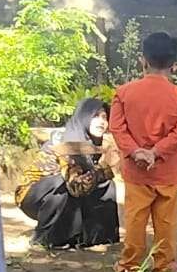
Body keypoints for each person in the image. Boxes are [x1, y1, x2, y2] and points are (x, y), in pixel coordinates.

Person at [110, 31, 177, 272]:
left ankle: (130, 266)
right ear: (174, 65)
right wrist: (156, 152)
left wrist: (136, 152)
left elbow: (117, 127)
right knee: (166, 222)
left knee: (135, 219)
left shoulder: (123, 93)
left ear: (142, 60)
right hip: (167, 171)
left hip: (136, 171)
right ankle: (164, 266)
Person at [15, 98, 120, 249]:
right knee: (61, 183)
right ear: (84, 117)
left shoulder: (99, 144)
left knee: (107, 185)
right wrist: (104, 168)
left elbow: (91, 179)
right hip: (34, 196)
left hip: (68, 189)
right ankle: (46, 238)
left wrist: (104, 171)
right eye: (95, 116)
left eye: (104, 117)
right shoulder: (66, 141)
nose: (101, 121)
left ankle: (96, 236)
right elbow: (76, 188)